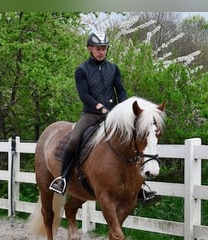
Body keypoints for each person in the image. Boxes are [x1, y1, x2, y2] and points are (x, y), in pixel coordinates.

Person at [49, 31, 156, 201]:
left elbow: (120, 90)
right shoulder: (81, 70)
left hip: (114, 115)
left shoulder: (113, 69)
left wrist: (124, 107)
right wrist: (100, 107)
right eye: (98, 48)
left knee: (133, 142)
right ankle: (62, 178)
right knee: (74, 139)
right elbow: (84, 95)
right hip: (91, 114)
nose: (101, 52)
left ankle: (141, 186)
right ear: (89, 49)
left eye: (104, 48)